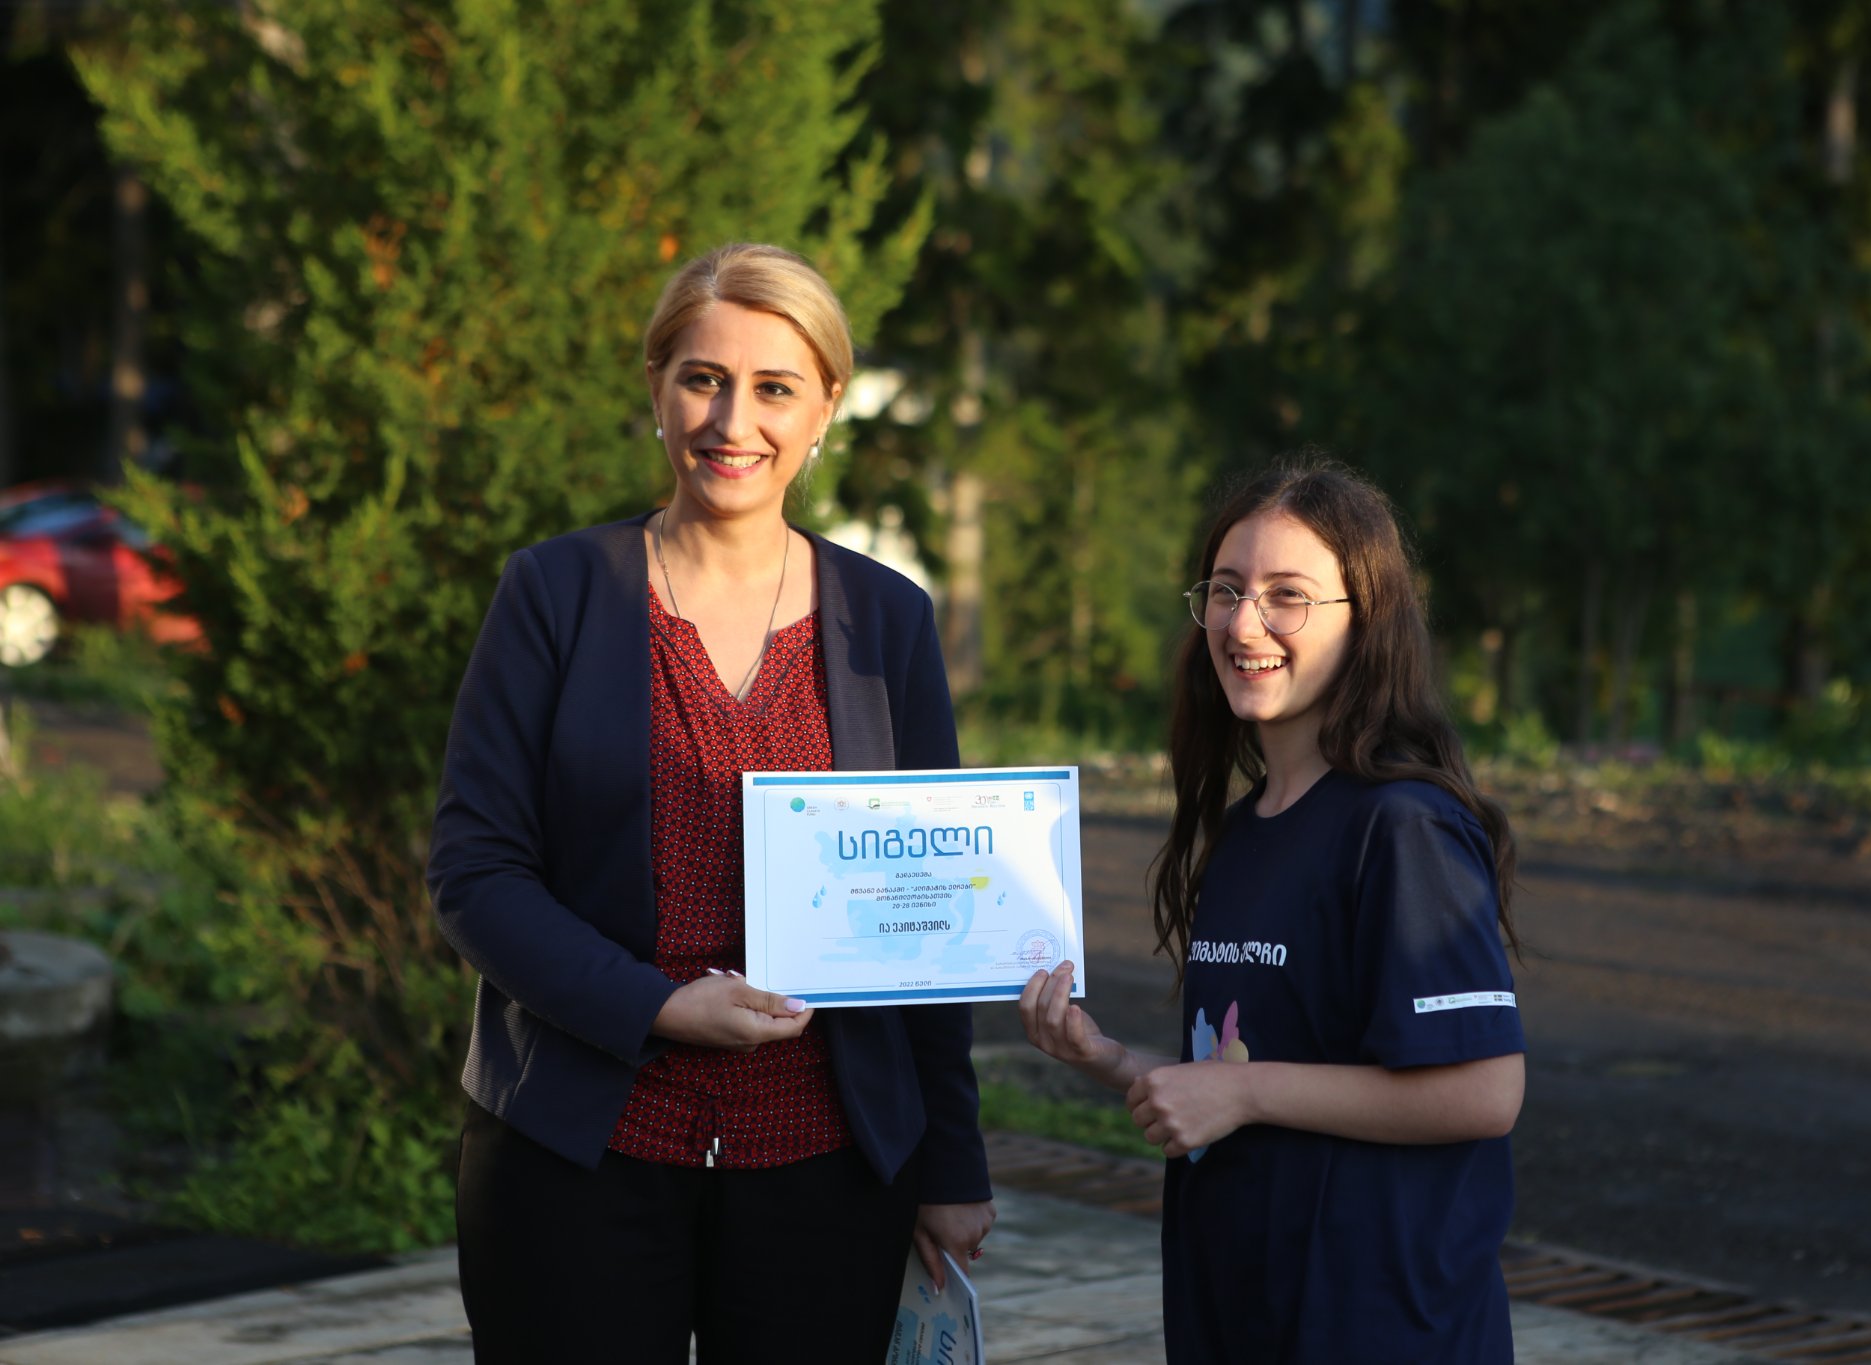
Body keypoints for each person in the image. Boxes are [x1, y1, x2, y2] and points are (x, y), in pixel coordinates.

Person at [428, 242, 994, 1364]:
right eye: (703, 378)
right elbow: (475, 873)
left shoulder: (889, 620)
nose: (734, 421)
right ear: (656, 388)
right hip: (579, 1154)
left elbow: (924, 913)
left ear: (826, 405)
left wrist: (951, 1161)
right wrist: (658, 1007)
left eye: (775, 386)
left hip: (826, 1170)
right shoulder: (554, 592)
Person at [1019, 459, 1525, 1363]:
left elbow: (1484, 1090)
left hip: (1376, 1324)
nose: (1243, 623)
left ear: (1367, 619)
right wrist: (1110, 1059)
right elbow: (1241, 1077)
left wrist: (1241, 1091)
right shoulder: (1248, 829)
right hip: (1243, 1309)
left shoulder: (1403, 826)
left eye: (1286, 595)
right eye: (1225, 590)